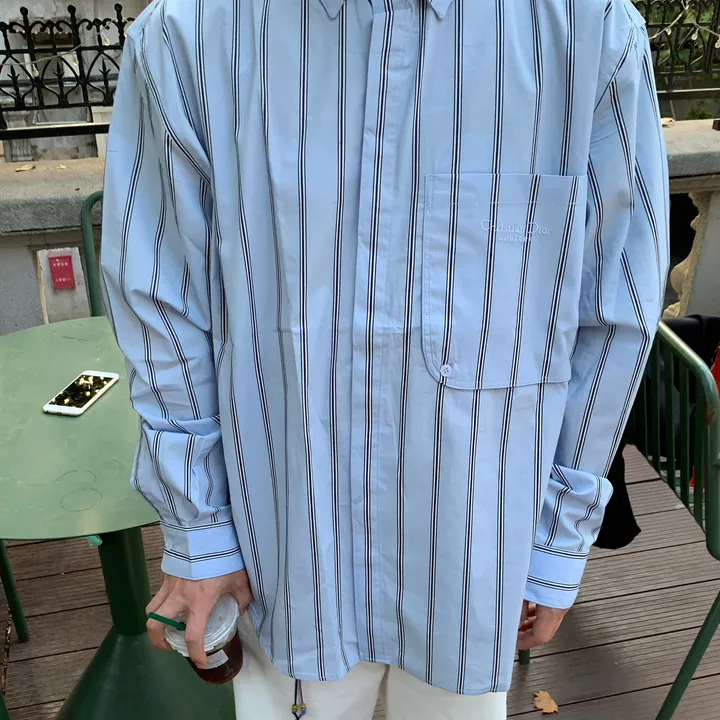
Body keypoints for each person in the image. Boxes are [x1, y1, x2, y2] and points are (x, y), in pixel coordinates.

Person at [101, 0, 669, 717]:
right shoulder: (190, 34)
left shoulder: (587, 32)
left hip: (473, 556)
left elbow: (612, 308)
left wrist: (558, 538)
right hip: (286, 553)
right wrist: (200, 524)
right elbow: (161, 298)